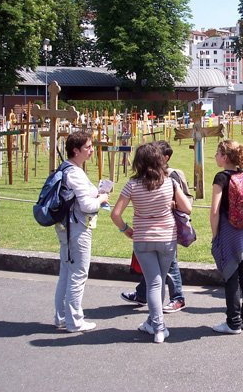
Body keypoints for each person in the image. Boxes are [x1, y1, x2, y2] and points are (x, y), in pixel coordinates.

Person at [111, 143, 192, 343]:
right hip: (166, 238)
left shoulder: (132, 185)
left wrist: (125, 229)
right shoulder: (169, 183)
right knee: (159, 282)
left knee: (154, 283)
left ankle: (155, 324)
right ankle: (157, 325)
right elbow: (187, 208)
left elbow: (116, 214)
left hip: (142, 238)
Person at [54, 131, 109, 333]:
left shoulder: (68, 168)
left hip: (66, 227)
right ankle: (75, 321)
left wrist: (98, 192)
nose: (91, 150)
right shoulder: (75, 172)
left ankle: (61, 317)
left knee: (66, 273)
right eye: (87, 147)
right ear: (75, 150)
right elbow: (86, 205)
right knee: (78, 274)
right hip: (77, 228)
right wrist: (102, 200)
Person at [210, 140, 243, 334]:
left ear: (225, 157)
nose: (215, 156)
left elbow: (214, 210)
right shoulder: (242, 175)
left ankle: (233, 322)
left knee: (230, 276)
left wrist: (215, 236)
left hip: (228, 230)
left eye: (217, 153)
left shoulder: (221, 177)